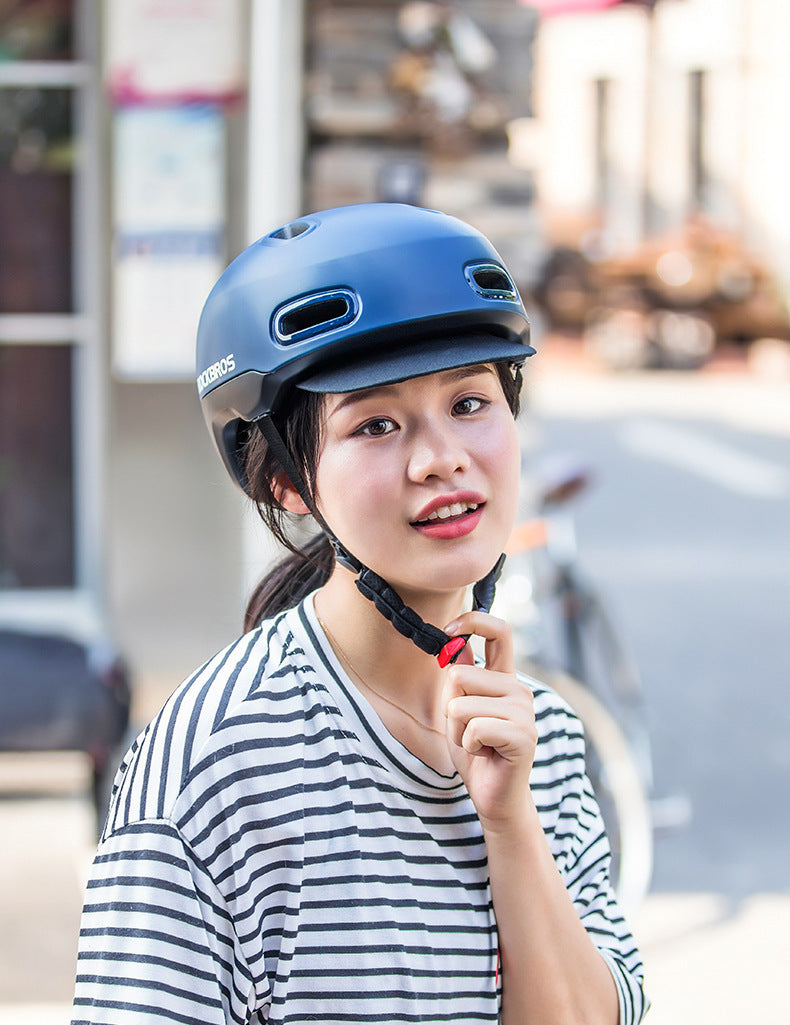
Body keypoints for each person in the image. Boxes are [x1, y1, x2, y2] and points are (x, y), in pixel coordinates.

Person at [71, 203, 648, 1025]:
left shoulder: (542, 738)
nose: (442, 456)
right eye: (375, 423)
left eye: (471, 402)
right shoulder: (215, 763)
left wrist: (512, 821)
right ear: (288, 482)